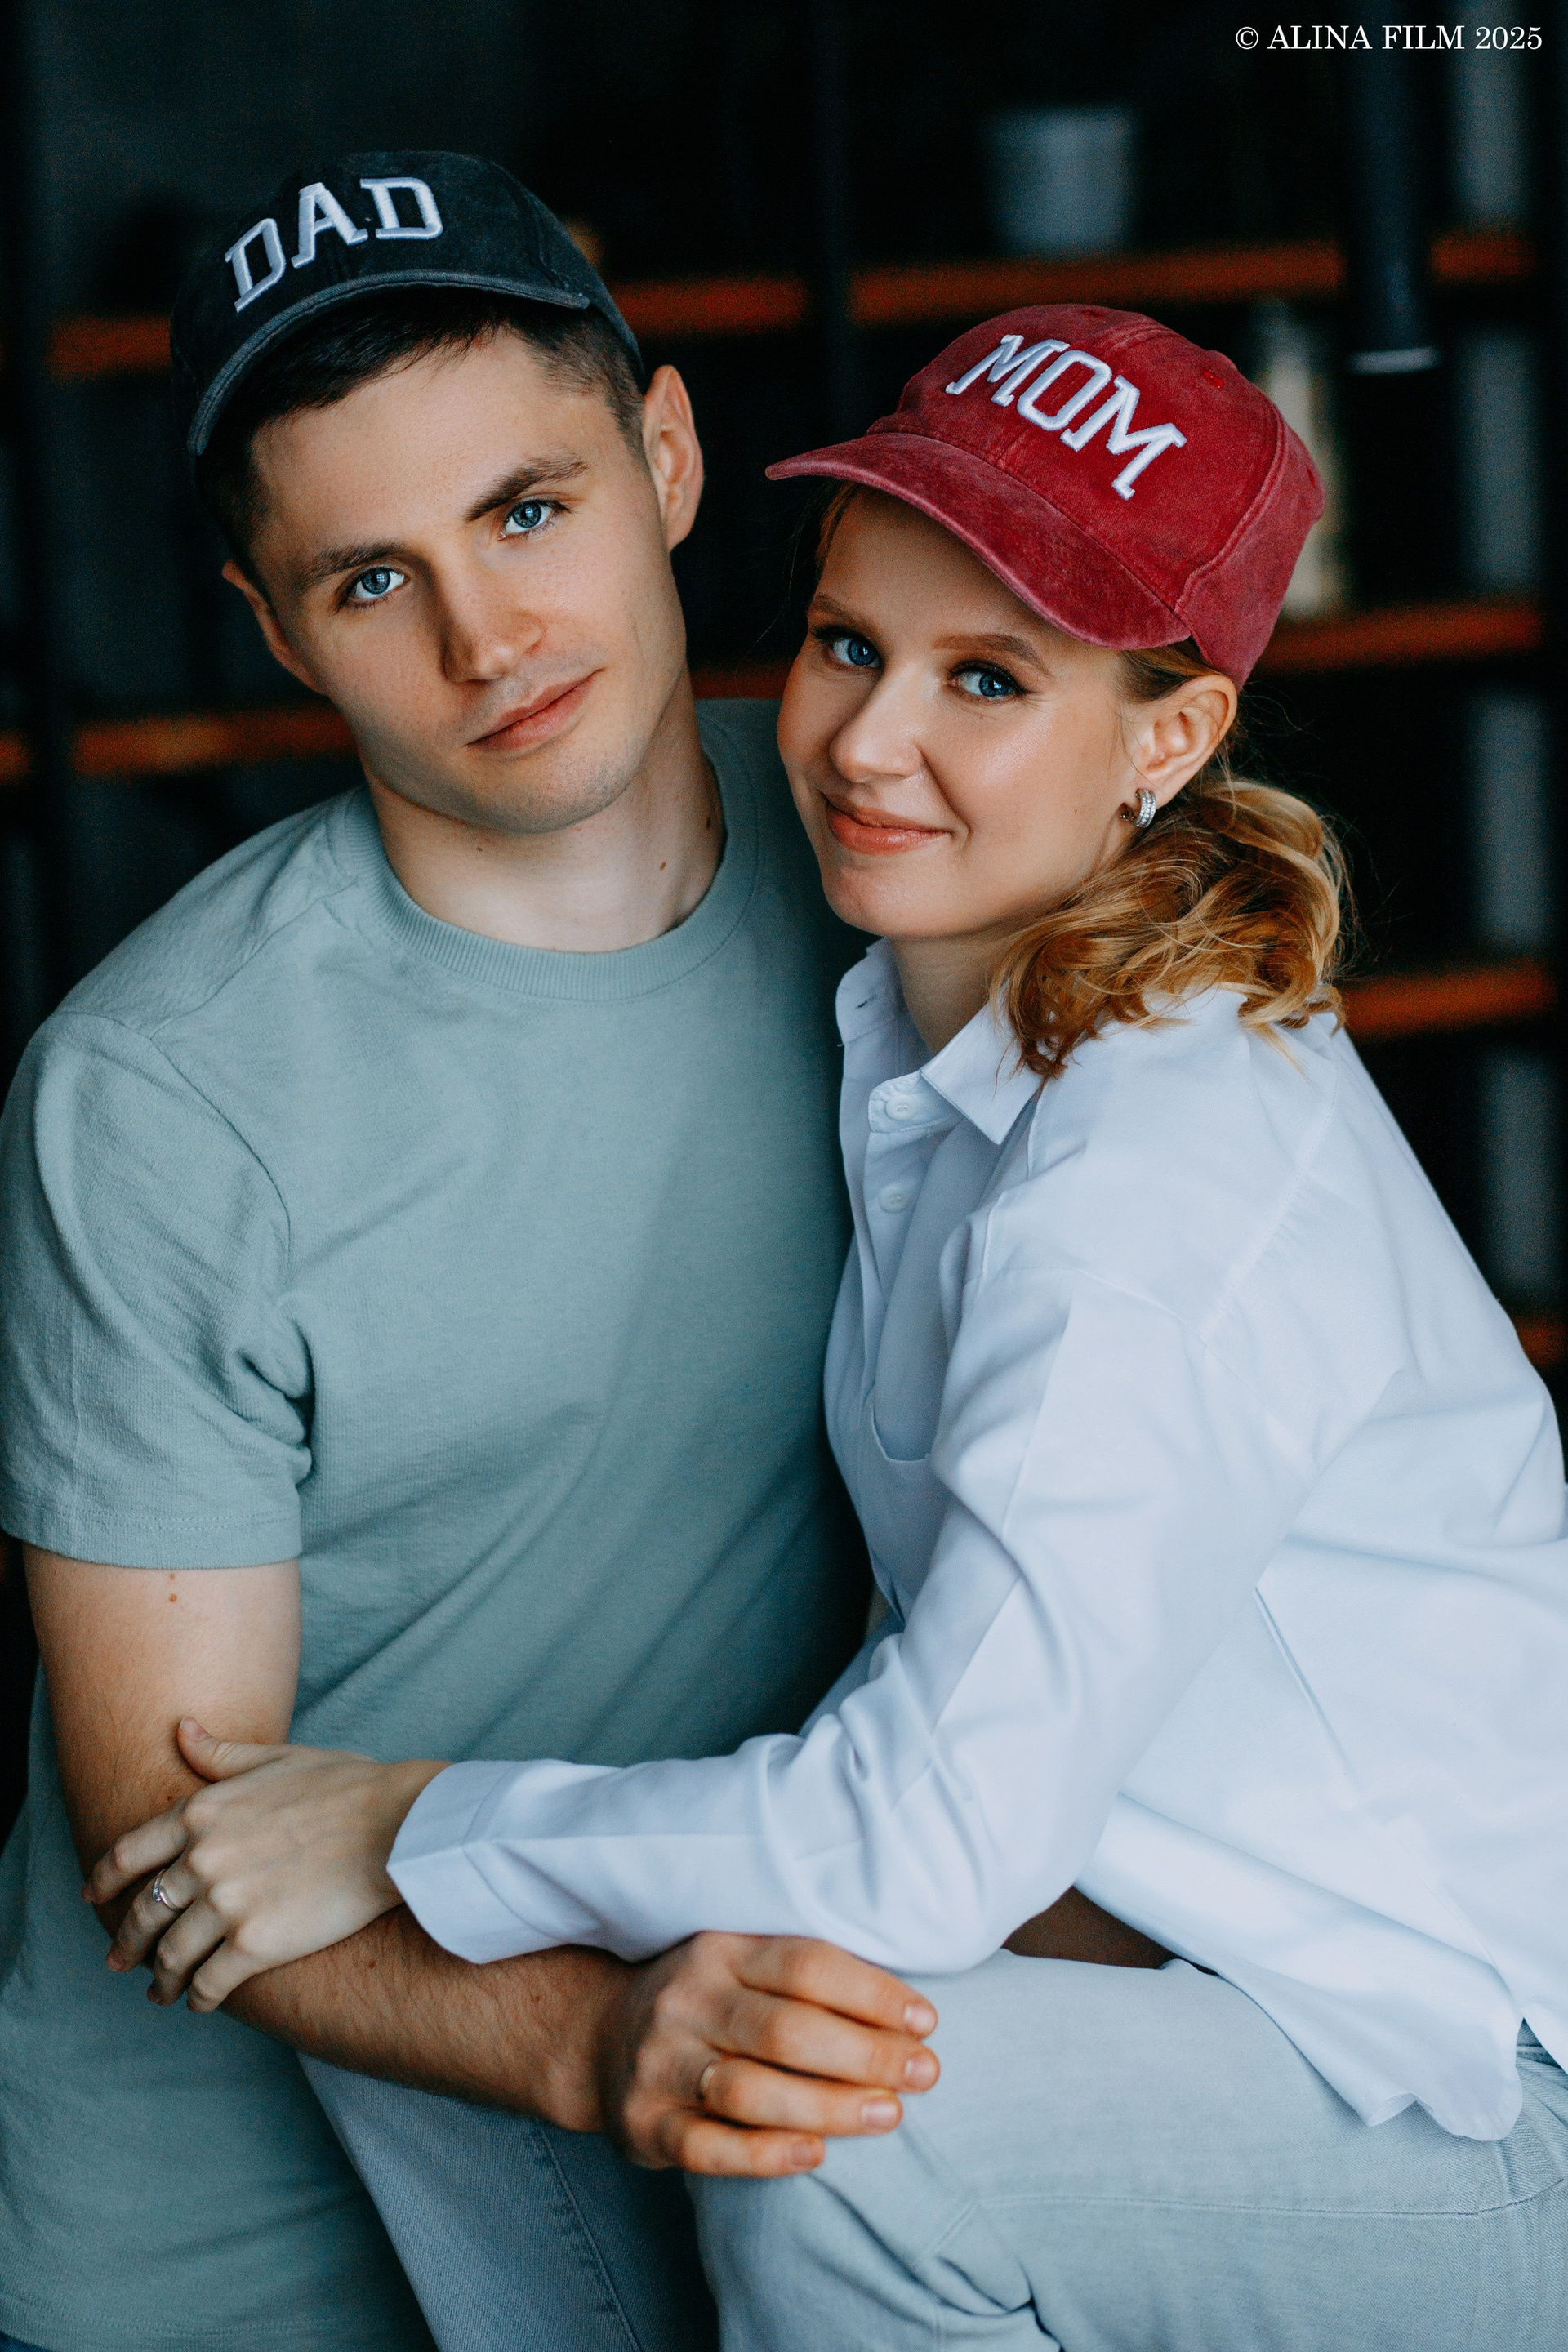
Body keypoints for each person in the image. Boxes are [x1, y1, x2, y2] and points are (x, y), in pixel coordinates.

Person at [100, 305, 1568, 2350]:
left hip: (1460, 2089)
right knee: (551, 1996)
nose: (871, 744)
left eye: (991, 680)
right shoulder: (940, 1033)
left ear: (1167, 741)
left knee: (845, 2137)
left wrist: (404, 1815)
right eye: (849, 644)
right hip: (1198, 1981)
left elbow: (938, 1838)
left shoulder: (1154, 1171)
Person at [0, 151, 953, 2352]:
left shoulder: (908, 868)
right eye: (371, 580)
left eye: (528, 509)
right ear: (273, 631)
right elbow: (164, 1823)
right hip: (239, 2247)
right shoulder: (155, 1097)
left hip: (739, 2150)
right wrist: (588, 2045)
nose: (486, 640)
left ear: (669, 457)